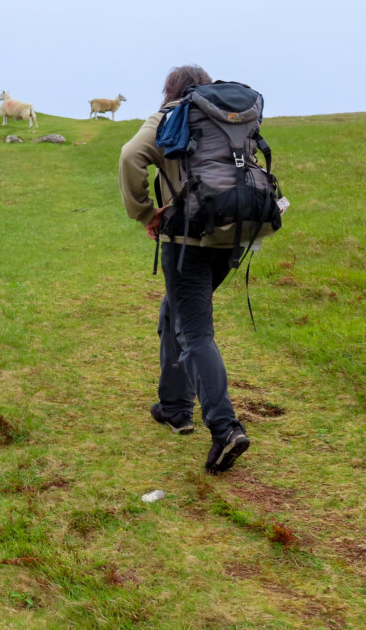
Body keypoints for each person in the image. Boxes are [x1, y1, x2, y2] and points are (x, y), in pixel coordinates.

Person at [118, 65, 250, 474]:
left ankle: (225, 428)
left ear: (171, 89)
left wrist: (145, 213)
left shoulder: (170, 115)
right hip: (235, 237)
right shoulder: (231, 117)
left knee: (194, 333)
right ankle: (175, 408)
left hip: (188, 241)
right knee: (174, 311)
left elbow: (130, 156)